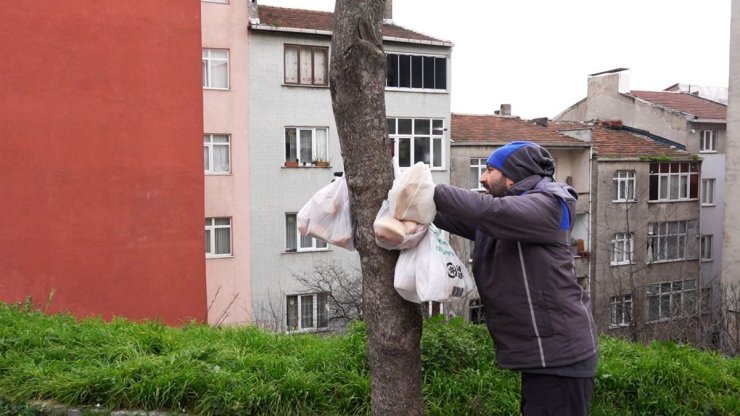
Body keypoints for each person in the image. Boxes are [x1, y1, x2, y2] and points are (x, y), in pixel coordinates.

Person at [433, 141, 598, 416]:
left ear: (513, 174)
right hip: (547, 355)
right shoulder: (511, 213)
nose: (483, 179)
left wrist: (428, 189)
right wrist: (408, 201)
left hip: (562, 357)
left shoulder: (549, 204)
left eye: (489, 170)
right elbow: (453, 216)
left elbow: (485, 210)